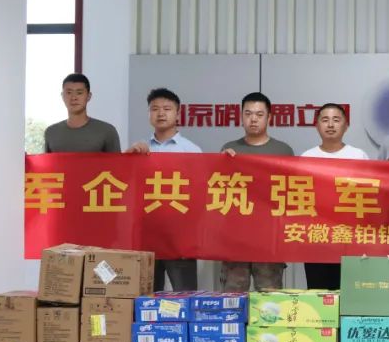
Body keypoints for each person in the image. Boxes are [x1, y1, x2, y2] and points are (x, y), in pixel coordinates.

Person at [125, 88, 202, 292]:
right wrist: (129, 158)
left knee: (185, 293)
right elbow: (124, 187)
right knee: (147, 294)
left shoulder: (191, 151)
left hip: (179, 236)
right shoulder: (140, 149)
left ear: (177, 113)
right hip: (147, 233)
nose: (160, 113)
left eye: (167, 109)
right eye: (155, 109)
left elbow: (199, 194)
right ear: (149, 114)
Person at [219, 92, 295, 292]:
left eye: (259, 114)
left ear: (269, 118)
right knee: (233, 296)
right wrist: (221, 163)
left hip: (268, 238)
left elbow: (291, 193)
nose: (253, 119)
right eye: (248, 114)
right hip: (235, 237)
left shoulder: (283, 151)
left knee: (270, 296)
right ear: (241, 116)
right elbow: (218, 191)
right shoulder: (229, 149)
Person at [300, 103, 369, 290]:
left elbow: (370, 199)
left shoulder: (359, 156)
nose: (330, 125)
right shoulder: (306, 157)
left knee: (351, 293)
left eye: (336, 120)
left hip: (350, 239)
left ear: (346, 125)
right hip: (317, 239)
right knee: (319, 294)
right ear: (317, 125)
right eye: (325, 120)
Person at [44, 73, 121, 153]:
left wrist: (130, 156)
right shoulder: (51, 132)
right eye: (69, 92)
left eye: (79, 93)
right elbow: (46, 161)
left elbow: (117, 160)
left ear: (89, 96)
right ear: (62, 96)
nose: (74, 98)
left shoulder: (107, 131)